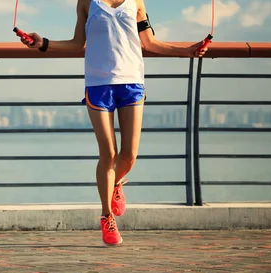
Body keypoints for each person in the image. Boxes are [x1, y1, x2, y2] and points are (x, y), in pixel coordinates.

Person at [20, 0, 208, 246]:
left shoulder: (136, 2)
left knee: (129, 155)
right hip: (98, 85)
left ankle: (116, 181)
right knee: (108, 153)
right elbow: (78, 43)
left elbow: (149, 42)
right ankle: (106, 216)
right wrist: (42, 43)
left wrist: (187, 50)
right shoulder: (86, 2)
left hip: (131, 83)